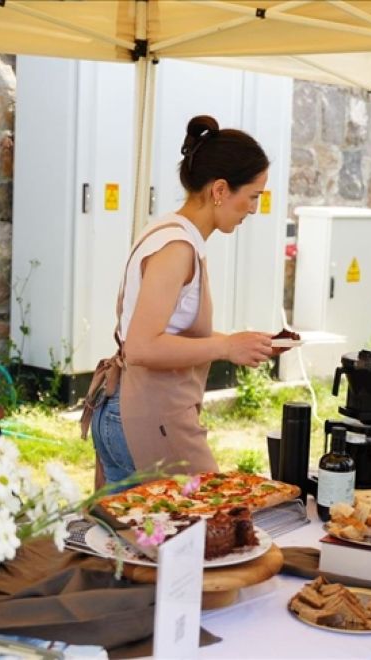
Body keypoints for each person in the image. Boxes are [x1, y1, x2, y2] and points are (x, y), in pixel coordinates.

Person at [87, 114, 273, 486]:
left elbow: (166, 333)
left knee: (134, 525)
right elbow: (142, 346)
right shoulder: (177, 248)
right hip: (147, 415)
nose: (254, 209)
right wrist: (225, 347)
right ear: (220, 190)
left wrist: (242, 343)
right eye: (253, 196)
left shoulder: (170, 232)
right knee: (208, 517)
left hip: (125, 409)